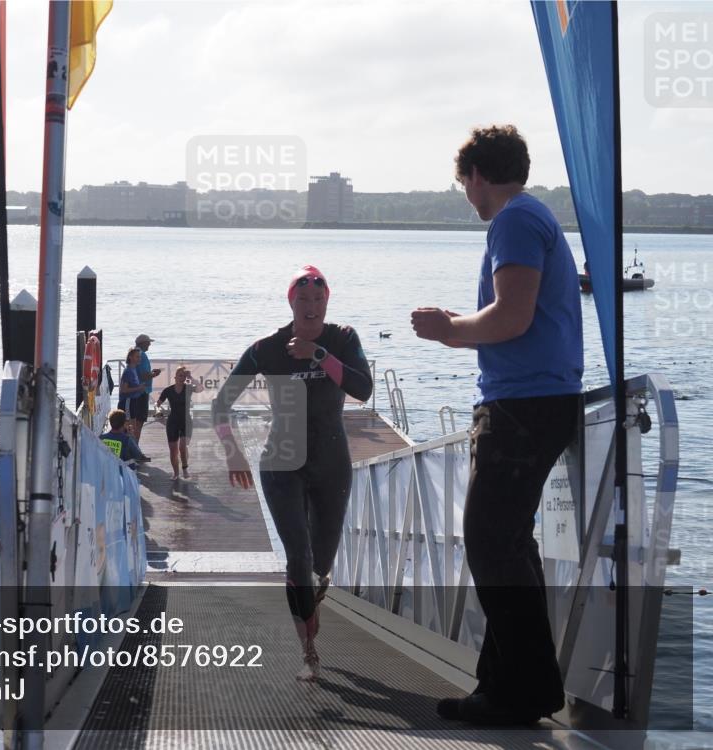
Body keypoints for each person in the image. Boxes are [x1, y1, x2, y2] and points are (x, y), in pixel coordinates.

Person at [411, 124, 583, 726]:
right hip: (538, 400)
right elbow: (516, 318)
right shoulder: (533, 217)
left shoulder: (513, 220)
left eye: (464, 183)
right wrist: (460, 327)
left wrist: (448, 330)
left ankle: (527, 690)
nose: (467, 195)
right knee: (507, 543)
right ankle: (504, 685)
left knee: (489, 541)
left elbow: (512, 317)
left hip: (523, 406)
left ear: (478, 175)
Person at [211, 265, 372, 681]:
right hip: (282, 461)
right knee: (298, 556)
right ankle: (308, 651)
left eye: (319, 300)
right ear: (291, 302)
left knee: (320, 562)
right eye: (303, 300)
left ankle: (313, 594)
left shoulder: (343, 339)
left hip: (331, 463)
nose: (311, 307)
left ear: (326, 302)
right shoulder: (266, 348)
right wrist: (233, 453)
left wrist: (318, 355)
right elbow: (220, 404)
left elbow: (363, 389)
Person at [156, 365, 205, 481]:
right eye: (180, 375)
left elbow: (201, 388)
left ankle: (185, 468)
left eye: (183, 376)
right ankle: (176, 473)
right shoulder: (168, 390)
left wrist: (191, 378)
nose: (181, 378)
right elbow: (157, 404)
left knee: (182, 446)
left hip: (186, 421)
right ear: (175, 377)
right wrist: (158, 411)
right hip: (172, 421)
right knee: (173, 451)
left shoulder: (188, 388)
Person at [133, 334, 162, 440]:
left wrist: (150, 373)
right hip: (142, 391)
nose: (149, 344)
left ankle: (133, 445)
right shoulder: (142, 355)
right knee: (139, 421)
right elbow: (144, 375)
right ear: (143, 343)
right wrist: (154, 374)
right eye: (148, 342)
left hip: (134, 391)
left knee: (133, 420)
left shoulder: (133, 353)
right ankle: (135, 445)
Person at [117, 348, 148, 446]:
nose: (139, 359)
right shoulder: (128, 371)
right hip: (127, 401)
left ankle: (132, 449)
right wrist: (139, 388)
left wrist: (140, 388)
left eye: (139, 357)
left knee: (132, 428)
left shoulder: (133, 369)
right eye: (137, 357)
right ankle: (128, 449)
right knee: (129, 428)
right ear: (130, 357)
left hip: (133, 401)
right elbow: (123, 389)